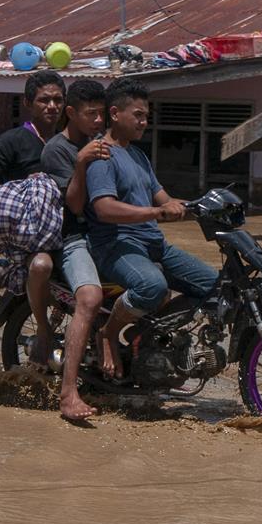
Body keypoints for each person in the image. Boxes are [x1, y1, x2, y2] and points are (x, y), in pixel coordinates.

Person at [84, 78, 218, 372]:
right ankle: (107, 332)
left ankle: (145, 334)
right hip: (114, 244)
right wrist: (156, 211)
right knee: (151, 285)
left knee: (214, 286)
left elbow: (165, 200)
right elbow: (104, 208)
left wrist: (206, 207)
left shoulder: (137, 154)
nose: (144, 122)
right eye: (138, 115)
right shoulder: (101, 154)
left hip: (151, 243)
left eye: (147, 116)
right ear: (115, 113)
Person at [0, 70, 66, 357]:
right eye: (44, 100)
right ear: (28, 103)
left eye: (58, 100)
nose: (52, 106)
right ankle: (43, 331)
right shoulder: (13, 141)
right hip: (34, 238)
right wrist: (24, 196)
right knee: (41, 267)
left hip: (69, 230)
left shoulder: (71, 142)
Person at [39, 78, 113, 423]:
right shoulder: (57, 150)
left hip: (106, 233)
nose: (98, 121)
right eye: (91, 114)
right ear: (71, 113)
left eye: (102, 115)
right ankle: (68, 394)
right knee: (89, 299)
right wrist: (81, 163)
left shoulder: (103, 142)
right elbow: (75, 205)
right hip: (73, 236)